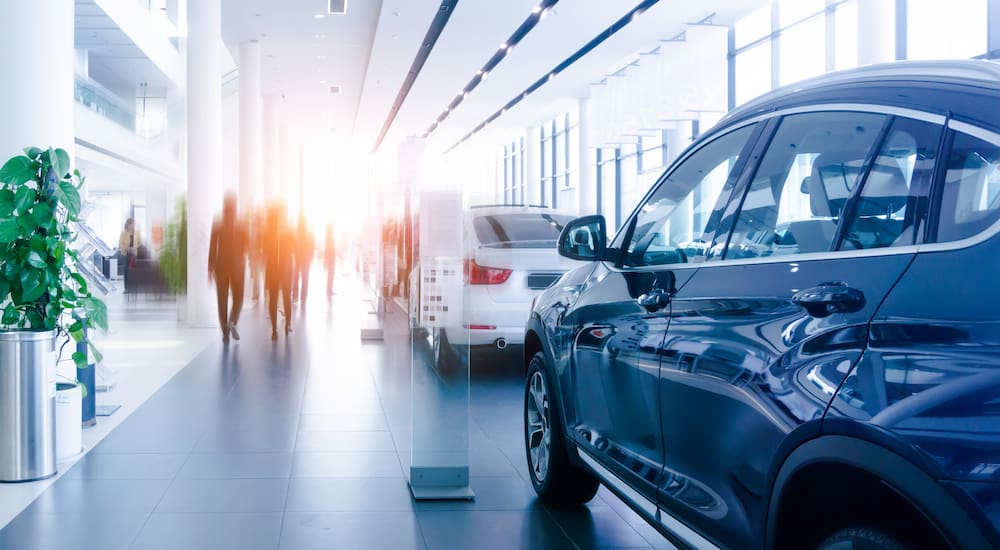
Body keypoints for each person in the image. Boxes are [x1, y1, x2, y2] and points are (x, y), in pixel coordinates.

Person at [207, 191, 248, 343]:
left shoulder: (218, 223)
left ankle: (225, 332)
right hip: (237, 266)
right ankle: (233, 320)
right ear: (235, 206)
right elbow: (246, 245)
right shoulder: (242, 223)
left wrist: (210, 268)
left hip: (221, 266)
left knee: (222, 299)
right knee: (238, 297)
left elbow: (212, 247)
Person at [264, 203, 294, 340]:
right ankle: (277, 328)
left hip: (280, 270)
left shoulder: (285, 231)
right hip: (280, 270)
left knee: (280, 299)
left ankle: (283, 326)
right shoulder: (275, 231)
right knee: (280, 299)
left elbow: (294, 248)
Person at [293, 214, 314, 304]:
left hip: (298, 256)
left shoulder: (296, 232)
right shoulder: (308, 232)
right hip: (304, 257)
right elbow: (312, 245)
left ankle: (295, 295)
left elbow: (293, 245)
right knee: (304, 277)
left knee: (296, 277)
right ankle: (303, 296)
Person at [118, 218, 141, 291]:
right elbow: (120, 244)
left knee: (134, 271)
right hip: (126, 254)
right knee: (126, 271)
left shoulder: (137, 233)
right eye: (132, 224)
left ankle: (133, 287)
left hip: (134, 254)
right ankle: (126, 288)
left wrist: (134, 247)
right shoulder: (123, 233)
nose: (133, 225)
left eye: (134, 224)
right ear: (128, 224)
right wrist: (127, 248)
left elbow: (139, 243)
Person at [324, 222, 336, 299]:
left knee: (330, 274)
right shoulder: (329, 236)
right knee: (331, 274)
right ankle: (329, 290)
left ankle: (329, 290)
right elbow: (329, 248)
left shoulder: (328, 236)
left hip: (330, 257)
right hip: (330, 257)